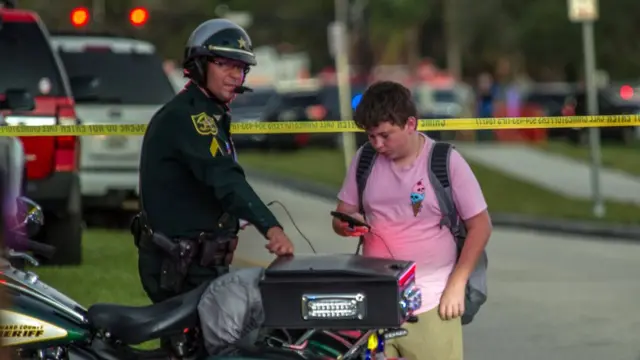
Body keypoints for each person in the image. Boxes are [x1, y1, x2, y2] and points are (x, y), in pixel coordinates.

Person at [133, 18, 295, 308]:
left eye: (241, 68)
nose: (236, 75)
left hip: (195, 264)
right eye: (225, 64)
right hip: (181, 267)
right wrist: (271, 227)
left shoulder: (208, 112)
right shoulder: (189, 118)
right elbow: (225, 178)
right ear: (199, 65)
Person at [331, 81, 492, 360]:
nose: (378, 145)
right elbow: (342, 214)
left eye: (385, 135)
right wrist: (346, 225)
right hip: (375, 302)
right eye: (370, 137)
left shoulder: (444, 162)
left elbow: (481, 226)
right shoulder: (364, 159)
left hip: (431, 302)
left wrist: (457, 283)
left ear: (410, 124)